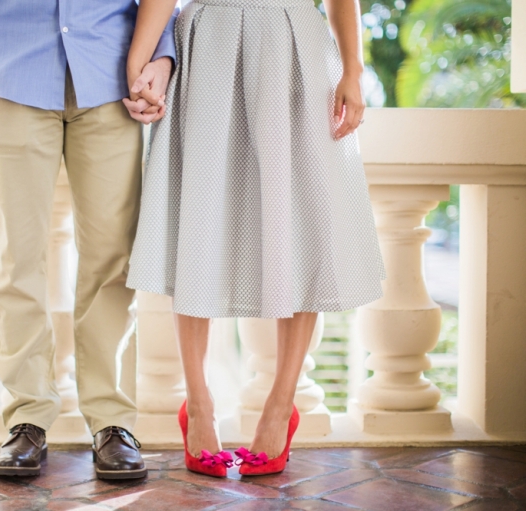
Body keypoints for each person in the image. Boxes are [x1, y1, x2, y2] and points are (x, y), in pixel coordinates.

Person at [126, 0, 386, 477]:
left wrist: (353, 70)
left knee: (302, 217)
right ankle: (198, 403)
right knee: (197, 216)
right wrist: (138, 66)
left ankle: (281, 404)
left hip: (295, 44)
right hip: (207, 42)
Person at [0, 0, 177, 480]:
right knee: (18, 256)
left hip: (111, 76)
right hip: (10, 68)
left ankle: (112, 422)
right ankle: (27, 417)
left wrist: (162, 56)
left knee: (112, 258)